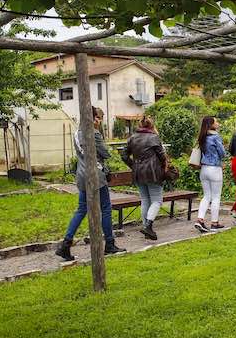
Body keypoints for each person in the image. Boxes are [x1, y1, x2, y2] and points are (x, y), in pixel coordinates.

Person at [55, 106, 125, 261]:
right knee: (106, 209)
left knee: (81, 210)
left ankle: (65, 244)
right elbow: (106, 153)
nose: (99, 121)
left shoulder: (76, 134)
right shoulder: (94, 133)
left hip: (82, 175)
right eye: (98, 118)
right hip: (96, 175)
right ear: (92, 118)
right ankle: (110, 244)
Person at [121, 116, 165, 241]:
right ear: (151, 125)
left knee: (145, 200)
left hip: (138, 173)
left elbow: (124, 155)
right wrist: (163, 167)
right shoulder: (154, 137)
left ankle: (146, 228)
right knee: (157, 201)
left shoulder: (132, 138)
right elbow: (162, 156)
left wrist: (133, 165)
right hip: (152, 173)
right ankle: (148, 226)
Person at [195, 116, 225, 233]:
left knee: (206, 196)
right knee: (216, 197)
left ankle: (200, 219)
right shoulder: (215, 137)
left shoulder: (202, 137)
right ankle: (214, 223)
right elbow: (222, 153)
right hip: (214, 168)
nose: (218, 123)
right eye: (216, 121)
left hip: (203, 169)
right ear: (211, 124)